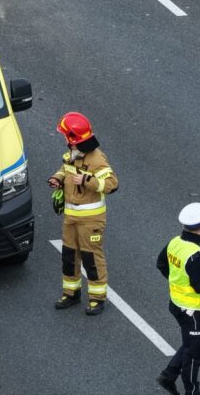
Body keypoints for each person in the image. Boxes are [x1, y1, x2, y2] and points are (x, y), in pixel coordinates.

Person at [47, 111, 118, 315]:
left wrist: (87, 181)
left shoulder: (96, 159)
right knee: (69, 256)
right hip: (71, 217)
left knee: (91, 259)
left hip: (90, 220)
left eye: (65, 136)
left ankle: (97, 298)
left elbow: (112, 184)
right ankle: (71, 293)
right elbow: (65, 169)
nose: (64, 139)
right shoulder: (73, 154)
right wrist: (57, 178)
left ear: (73, 138)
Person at [156, 203, 200, 395]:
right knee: (195, 352)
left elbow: (161, 264)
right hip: (192, 310)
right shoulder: (196, 256)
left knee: (192, 342)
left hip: (176, 303)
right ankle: (192, 391)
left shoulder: (175, 242)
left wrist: (176, 280)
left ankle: (168, 376)